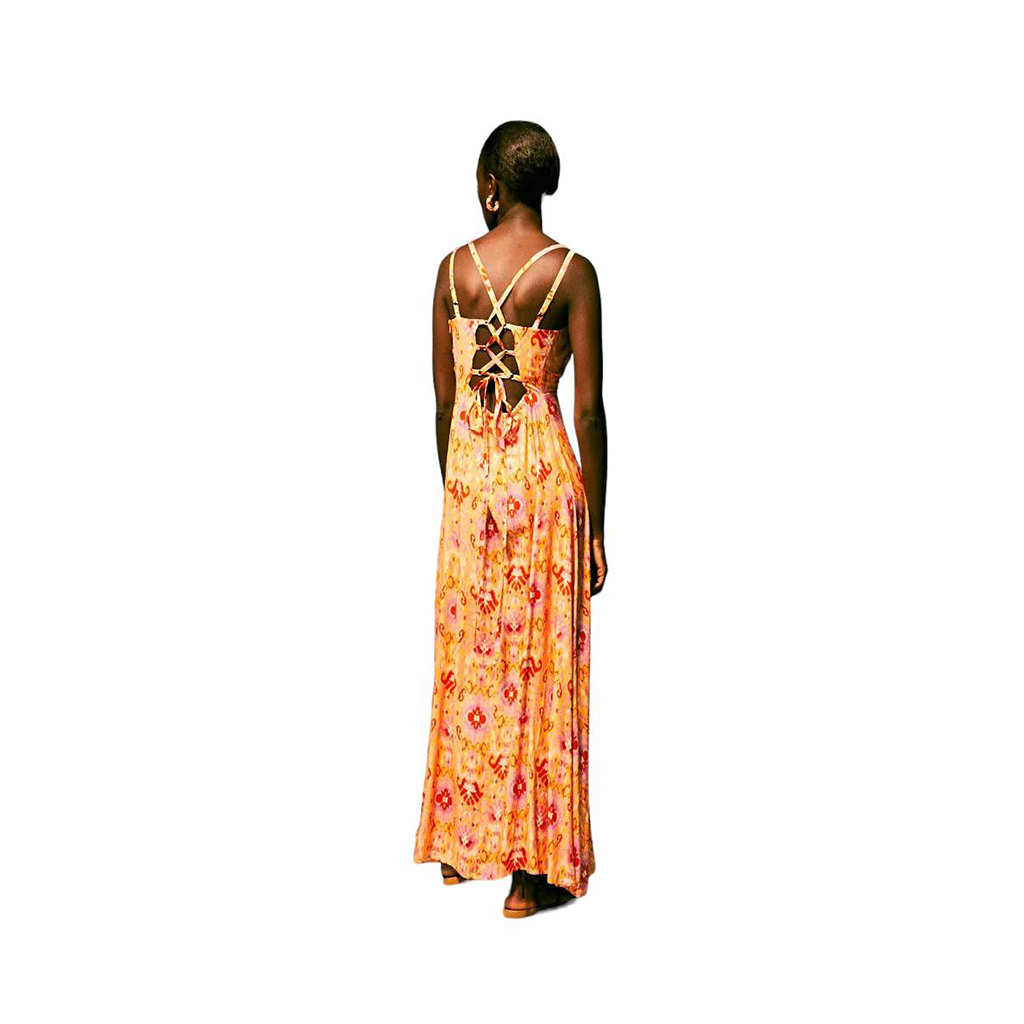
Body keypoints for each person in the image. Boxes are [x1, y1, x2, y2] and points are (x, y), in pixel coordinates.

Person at [413, 121, 608, 918]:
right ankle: (530, 877)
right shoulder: (573, 273)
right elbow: (588, 410)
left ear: (491, 185)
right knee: (539, 666)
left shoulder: (451, 270)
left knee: (470, 658)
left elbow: (444, 402)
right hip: (544, 483)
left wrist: (460, 489)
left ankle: (460, 848)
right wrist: (598, 525)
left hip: (472, 484)